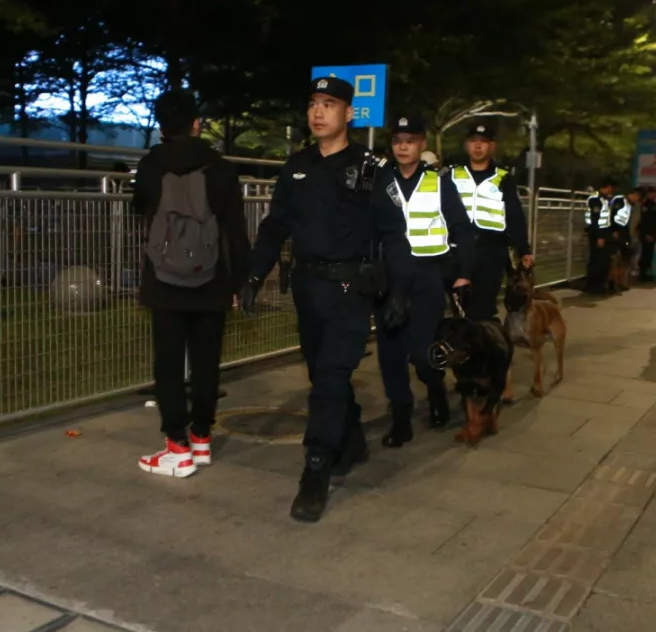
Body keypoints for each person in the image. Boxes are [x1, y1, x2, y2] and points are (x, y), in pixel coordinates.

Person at [240, 76, 408, 522]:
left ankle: (315, 469)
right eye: (313, 103)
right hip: (308, 288)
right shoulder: (297, 166)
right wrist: (254, 274)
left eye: (329, 104)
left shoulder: (370, 168)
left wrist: (399, 289)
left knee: (332, 377)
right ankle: (350, 440)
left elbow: (394, 233)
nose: (318, 111)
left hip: (351, 290)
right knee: (321, 373)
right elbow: (275, 226)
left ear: (349, 114)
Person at [131, 89, 250, 478]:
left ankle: (176, 446)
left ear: (162, 126)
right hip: (212, 277)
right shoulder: (221, 167)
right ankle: (201, 438)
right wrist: (240, 282)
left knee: (168, 363)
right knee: (206, 362)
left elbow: (139, 208)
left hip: (163, 277)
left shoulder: (150, 165)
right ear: (197, 124)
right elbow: (235, 229)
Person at [374, 114, 474, 447]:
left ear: (422, 145)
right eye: (397, 141)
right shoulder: (380, 180)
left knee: (422, 352)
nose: (403, 147)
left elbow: (461, 228)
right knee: (390, 354)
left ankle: (435, 389)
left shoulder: (439, 182)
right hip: (389, 279)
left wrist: (463, 273)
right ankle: (401, 417)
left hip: (426, 276)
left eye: (410, 141)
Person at [449, 122, 533, 321]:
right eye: (473, 141)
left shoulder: (503, 178)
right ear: (466, 145)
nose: (478, 146)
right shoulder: (451, 175)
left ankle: (485, 337)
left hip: (491, 251)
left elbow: (514, 216)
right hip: (456, 250)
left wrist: (524, 250)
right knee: (458, 308)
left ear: (492, 146)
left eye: (483, 142)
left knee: (483, 308)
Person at [584, 179, 618, 295]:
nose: (611, 191)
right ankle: (593, 287)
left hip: (604, 233)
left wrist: (611, 231)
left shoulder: (605, 200)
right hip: (597, 234)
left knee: (604, 261)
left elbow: (606, 218)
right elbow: (595, 220)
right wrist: (599, 237)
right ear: (607, 187)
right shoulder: (595, 199)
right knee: (596, 262)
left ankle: (601, 285)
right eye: (610, 188)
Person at [638, 186, 656, 282]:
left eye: (655, 193)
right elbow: (644, 221)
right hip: (646, 233)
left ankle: (647, 273)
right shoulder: (645, 205)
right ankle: (642, 274)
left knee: (649, 254)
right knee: (645, 253)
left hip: (653, 232)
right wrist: (646, 234)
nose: (654, 195)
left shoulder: (654, 204)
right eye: (652, 193)